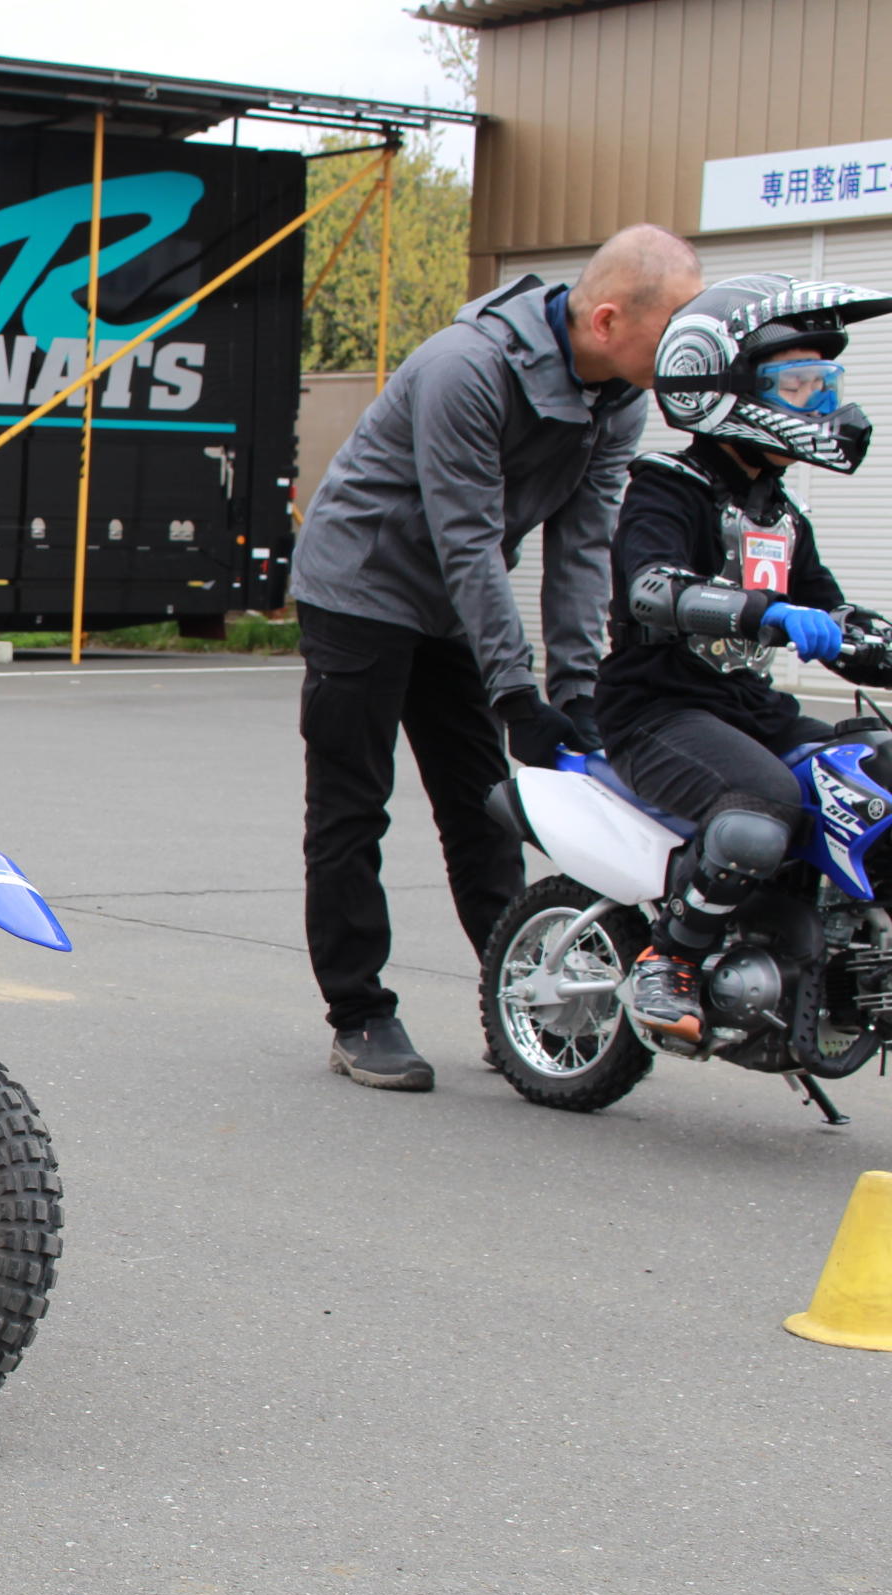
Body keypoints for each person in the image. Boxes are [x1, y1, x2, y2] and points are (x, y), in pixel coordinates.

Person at [290, 224, 702, 1092]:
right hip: (361, 586)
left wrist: (578, 689)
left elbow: (585, 547)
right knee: (352, 809)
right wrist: (516, 689)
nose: (687, 353)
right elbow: (468, 538)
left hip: (450, 606)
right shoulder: (464, 368)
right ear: (607, 317)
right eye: (674, 331)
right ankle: (360, 1013)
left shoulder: (618, 400)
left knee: (487, 810)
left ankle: (520, 995)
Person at [594, 273, 892, 1044]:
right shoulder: (668, 486)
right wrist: (768, 613)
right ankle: (671, 958)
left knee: (872, 772)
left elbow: (834, 613)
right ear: (721, 385)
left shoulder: (780, 513)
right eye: (800, 385)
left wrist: (866, 639)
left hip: (745, 710)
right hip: (657, 709)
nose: (821, 406)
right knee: (762, 808)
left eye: (824, 385)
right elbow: (652, 588)